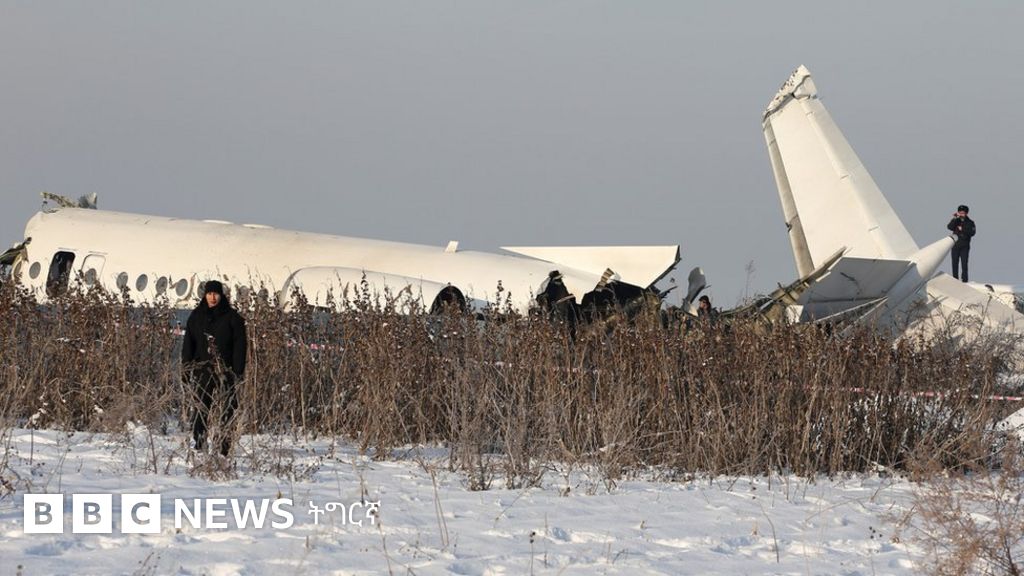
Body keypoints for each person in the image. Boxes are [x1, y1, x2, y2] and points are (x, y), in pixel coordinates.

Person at [181, 280, 247, 456]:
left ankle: (224, 446)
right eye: (209, 294)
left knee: (228, 407)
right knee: (201, 407)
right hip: (203, 369)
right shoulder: (197, 316)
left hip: (225, 370)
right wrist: (186, 368)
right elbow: (188, 344)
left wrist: (237, 371)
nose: (212, 297)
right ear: (205, 295)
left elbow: (240, 346)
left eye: (216, 294)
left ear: (221, 295)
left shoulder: (232, 318)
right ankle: (200, 444)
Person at [946, 204, 976, 282]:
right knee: (954, 263)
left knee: (964, 263)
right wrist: (954, 218)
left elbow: (972, 232)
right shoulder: (956, 220)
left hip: (965, 246)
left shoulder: (970, 222)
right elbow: (949, 227)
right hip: (955, 245)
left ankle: (965, 280)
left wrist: (962, 229)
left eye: (963, 213)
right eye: (960, 212)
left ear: (966, 213)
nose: (961, 214)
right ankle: (955, 279)